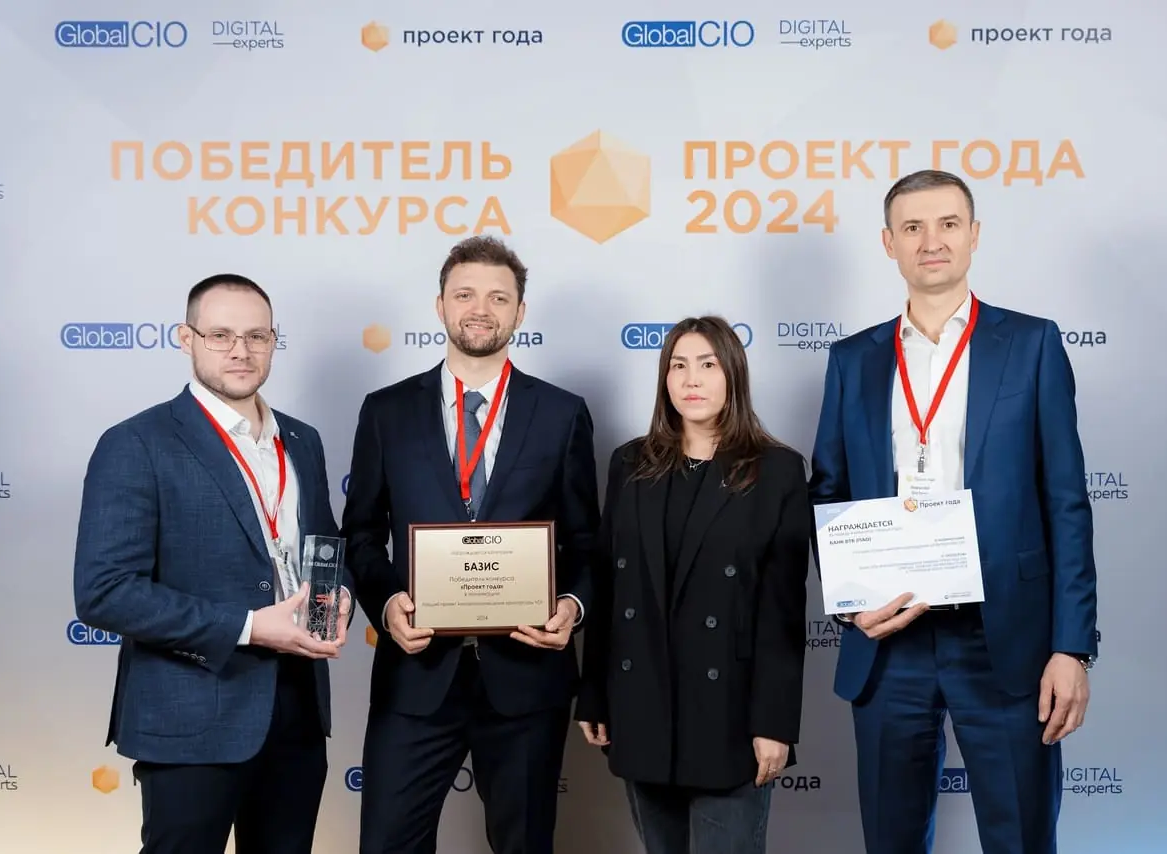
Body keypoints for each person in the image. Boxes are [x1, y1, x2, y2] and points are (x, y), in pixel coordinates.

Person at [808, 170, 1098, 854]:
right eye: (912, 227)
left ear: (973, 235)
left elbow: (1066, 503)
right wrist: (851, 604)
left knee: (1021, 836)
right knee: (892, 839)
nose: (930, 241)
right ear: (889, 243)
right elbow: (828, 490)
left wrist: (1071, 646)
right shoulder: (852, 360)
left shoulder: (1032, 344)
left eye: (946, 224)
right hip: (890, 640)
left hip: (1005, 638)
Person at [72, 274, 355, 854]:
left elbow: (324, 546)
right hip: (190, 718)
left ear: (274, 340)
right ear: (187, 339)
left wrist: (339, 593)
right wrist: (249, 626)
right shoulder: (137, 442)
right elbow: (105, 591)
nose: (240, 350)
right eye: (221, 335)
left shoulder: (303, 440)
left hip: (297, 711)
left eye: (257, 336)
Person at [342, 235, 601, 854]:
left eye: (497, 297)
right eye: (464, 295)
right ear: (440, 306)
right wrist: (386, 604)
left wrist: (571, 607)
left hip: (526, 677)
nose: (480, 309)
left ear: (520, 312)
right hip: (416, 675)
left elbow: (587, 541)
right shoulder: (386, 411)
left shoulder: (563, 413)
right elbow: (361, 534)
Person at [575, 316, 812, 854]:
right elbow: (609, 590)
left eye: (707, 364)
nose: (691, 379)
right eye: (678, 365)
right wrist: (593, 696)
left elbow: (782, 612)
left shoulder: (777, 471)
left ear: (733, 374)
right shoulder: (630, 463)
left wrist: (775, 723)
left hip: (731, 716)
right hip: (642, 707)